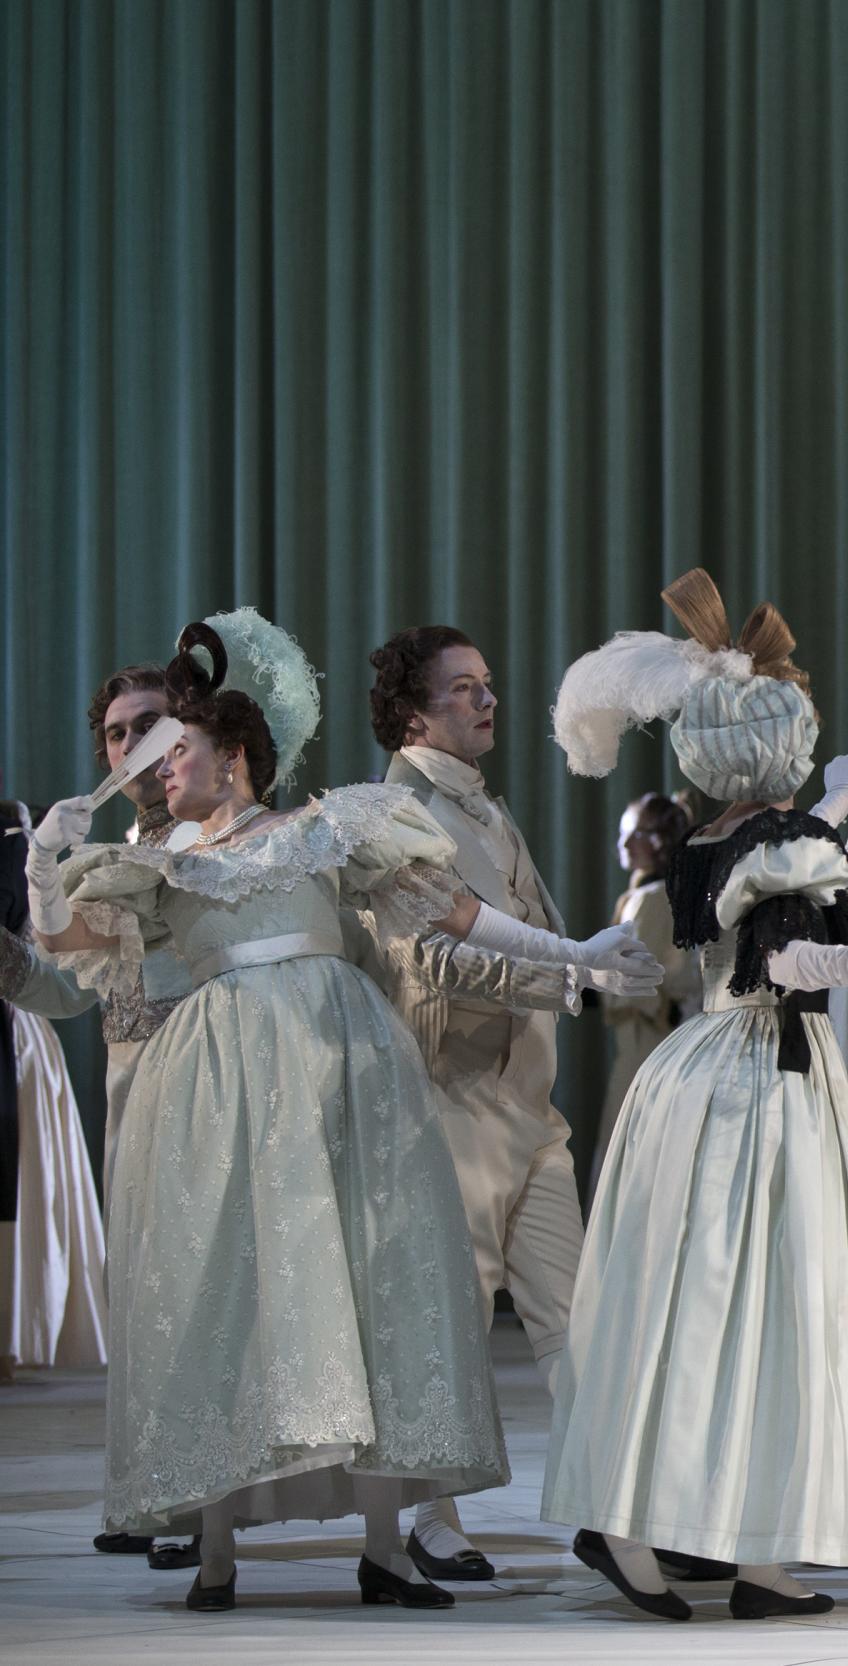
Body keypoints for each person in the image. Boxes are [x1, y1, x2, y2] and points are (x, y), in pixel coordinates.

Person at [28, 609, 657, 1611]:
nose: (160, 771)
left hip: (339, 1069)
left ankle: (391, 1543)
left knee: (368, 1292)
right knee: (230, 1296)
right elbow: (60, 948)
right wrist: (39, 859)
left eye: (177, 750)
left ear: (233, 757)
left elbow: (453, 913)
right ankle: (219, 1546)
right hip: (222, 1087)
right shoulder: (158, 866)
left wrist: (576, 955)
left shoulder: (329, 830)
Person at [541, 571, 848, 1620]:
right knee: (765, 1304)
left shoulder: (705, 841)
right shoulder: (786, 842)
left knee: (698, 1308)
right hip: (762, 1080)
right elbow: (785, 962)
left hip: (700, 1077)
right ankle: (699, 1541)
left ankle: (739, 1548)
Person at [357, 623, 663, 1583]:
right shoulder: (394, 812)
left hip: (528, 1102)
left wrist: (584, 965)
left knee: (576, 1313)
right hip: (450, 1095)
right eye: (463, 691)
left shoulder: (481, 805)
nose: (487, 702)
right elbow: (433, 957)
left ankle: (613, 1510)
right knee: (445, 1314)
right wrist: (569, 977)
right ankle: (426, 1512)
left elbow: (534, 923)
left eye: (487, 685)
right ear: (413, 713)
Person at [1, 798, 106, 1381]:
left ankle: (15, 1332)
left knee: (24, 1176)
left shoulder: (17, 830)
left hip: (16, 1025)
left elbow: (57, 972)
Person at [595, 791, 701, 1172]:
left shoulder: (654, 899)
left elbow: (635, 980)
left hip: (650, 1043)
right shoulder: (655, 894)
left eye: (636, 833)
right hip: (651, 1041)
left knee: (636, 1156)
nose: (624, 843)